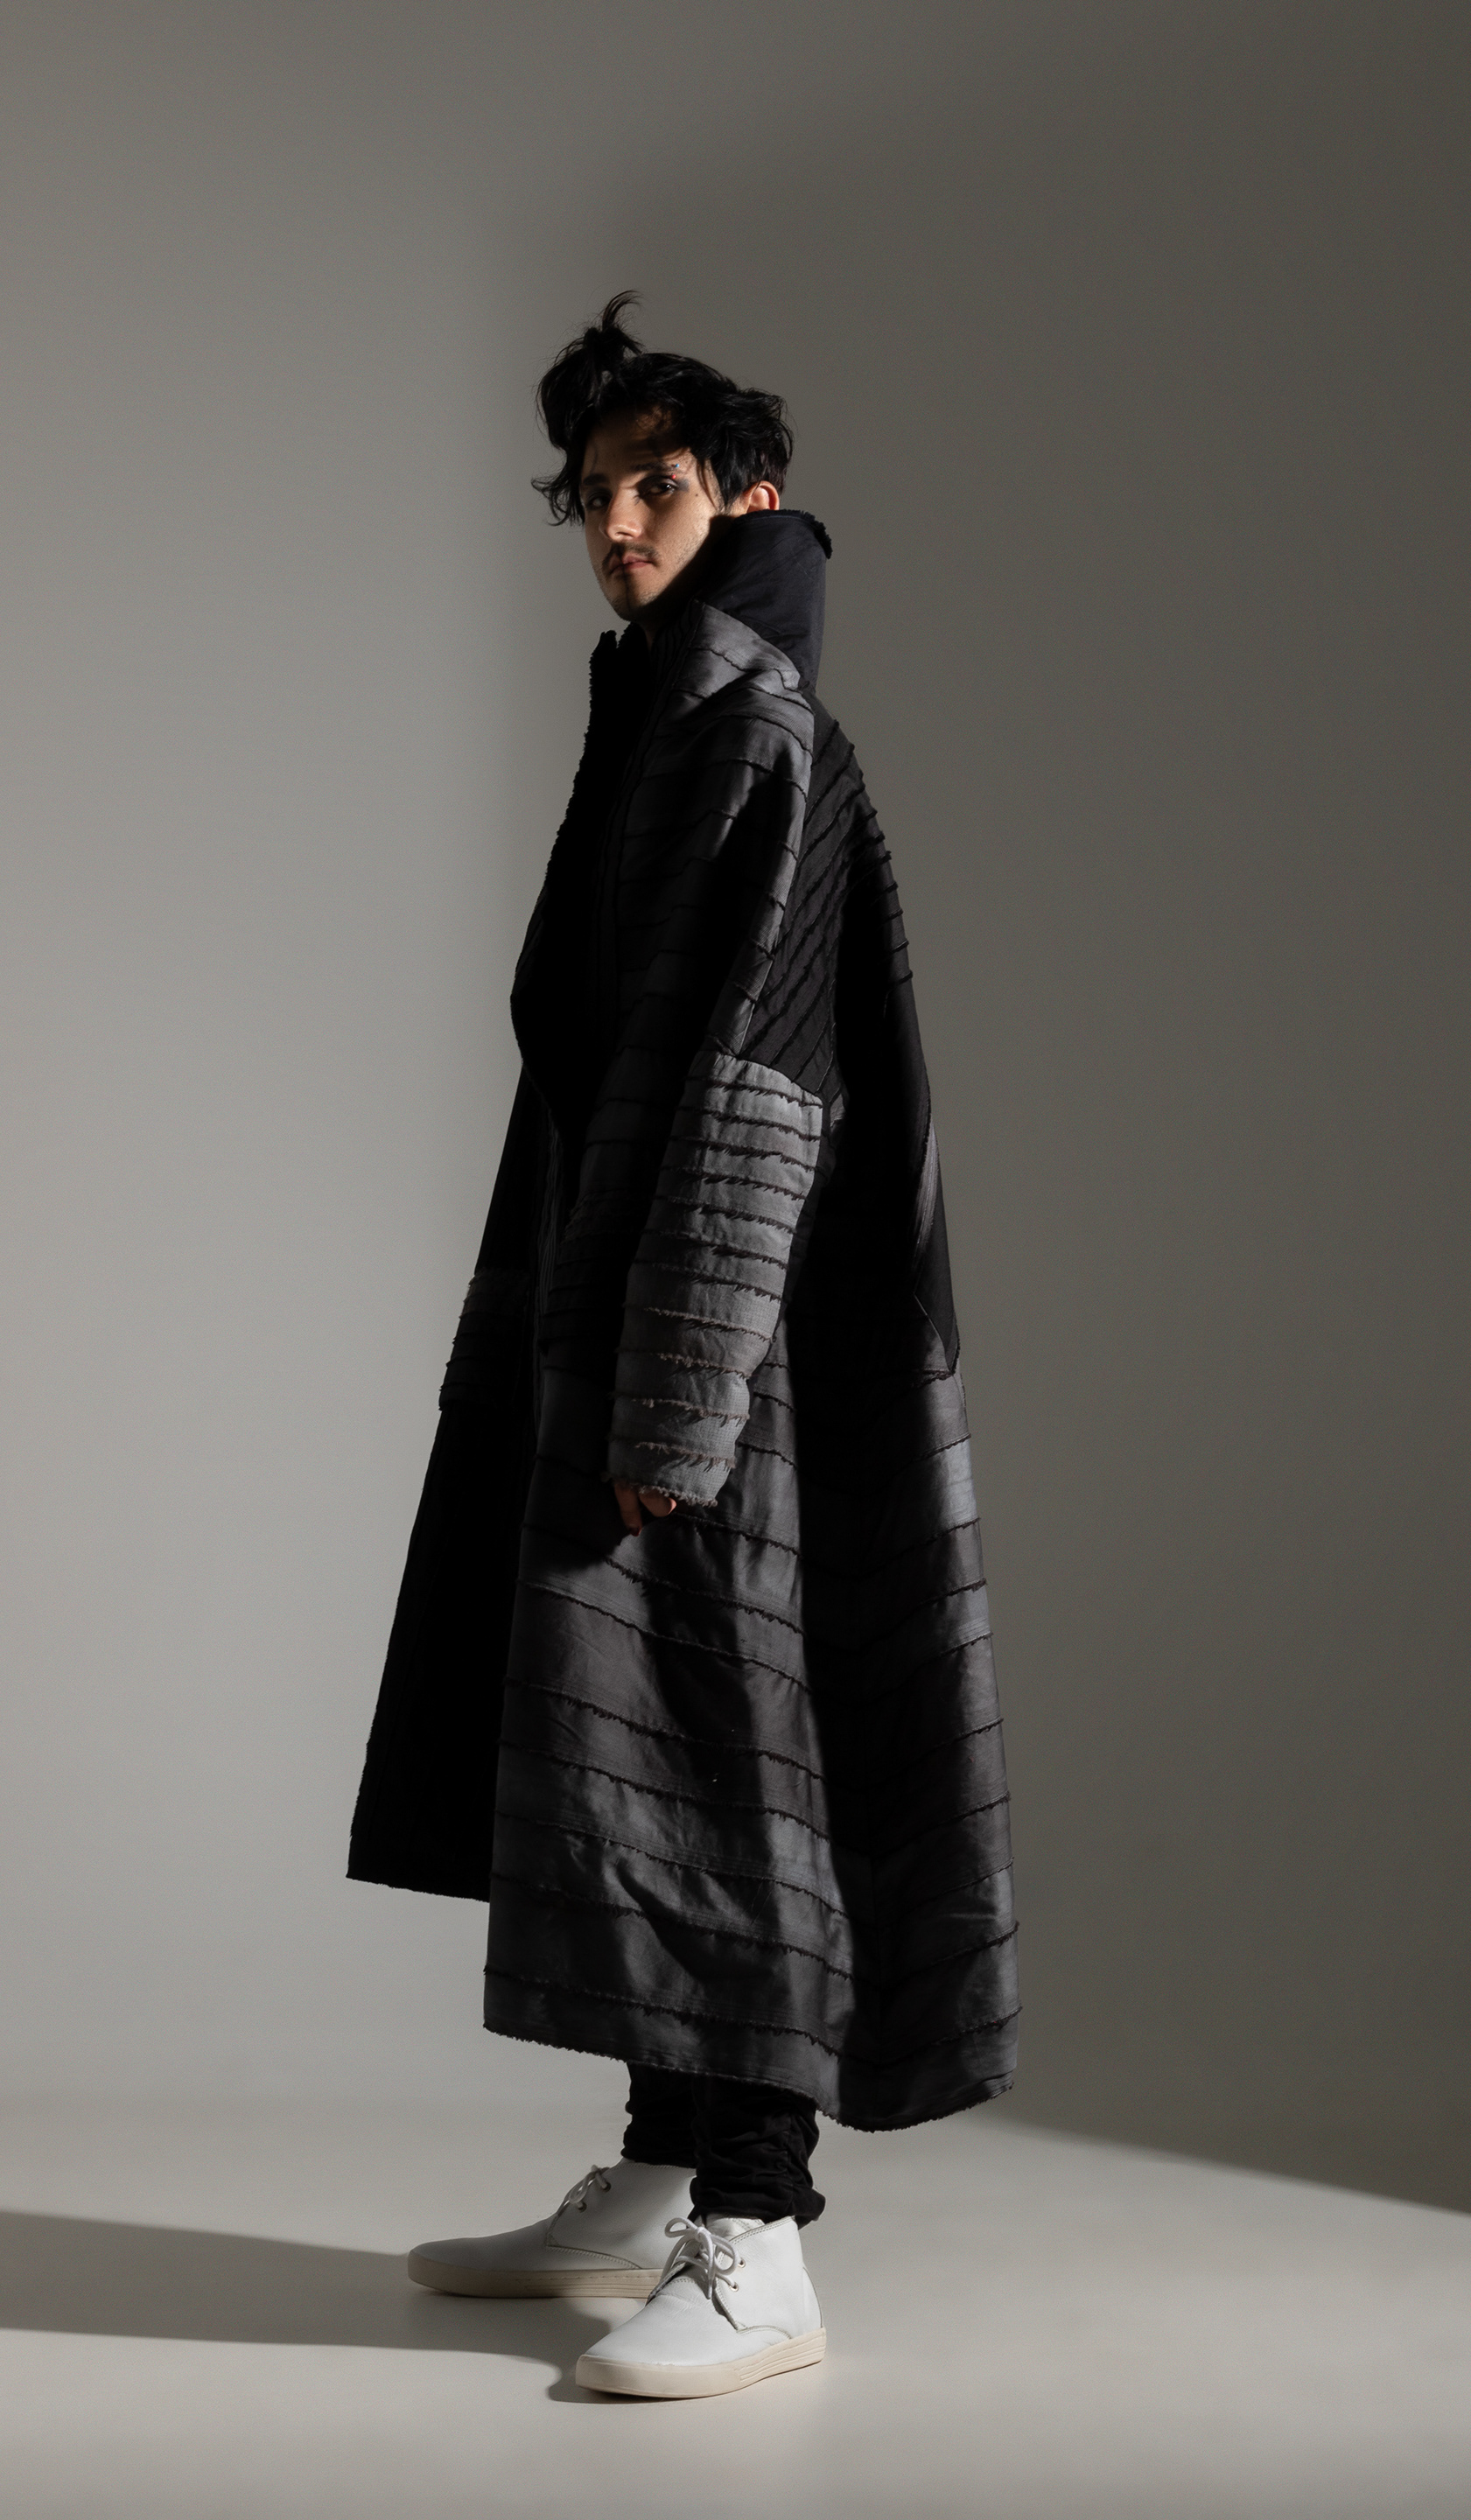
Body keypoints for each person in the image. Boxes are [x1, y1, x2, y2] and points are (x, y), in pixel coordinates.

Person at [347, 295, 1018, 2398]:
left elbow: (757, 1088)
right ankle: (656, 2170)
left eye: (660, 484)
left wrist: (679, 1393)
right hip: (630, 1314)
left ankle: (759, 2235)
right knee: (635, 1742)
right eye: (595, 494)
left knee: (732, 1767)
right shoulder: (661, 714)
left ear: (751, 498)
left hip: (727, 1354)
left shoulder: (752, 731)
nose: (621, 522)